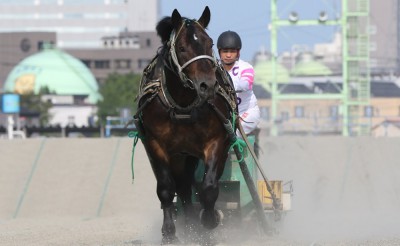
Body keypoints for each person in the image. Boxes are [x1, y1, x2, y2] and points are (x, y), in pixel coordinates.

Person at [217, 30, 260, 136]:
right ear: (219, 52)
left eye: (232, 51)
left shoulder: (246, 67)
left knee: (233, 131)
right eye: (225, 51)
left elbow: (245, 85)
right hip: (224, 116)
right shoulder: (214, 68)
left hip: (246, 113)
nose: (228, 55)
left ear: (238, 53)